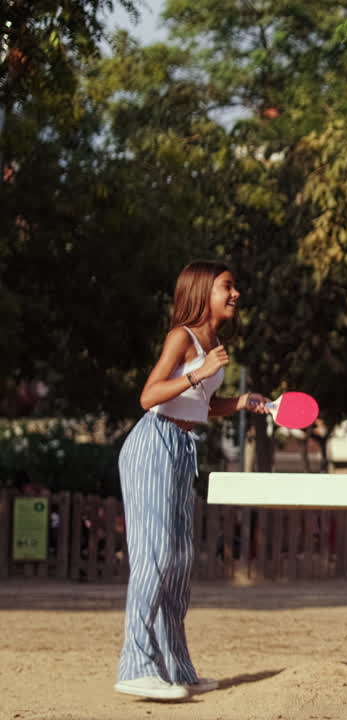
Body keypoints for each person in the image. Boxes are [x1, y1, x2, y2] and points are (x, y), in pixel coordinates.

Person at [114, 261, 268, 701]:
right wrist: (198, 372)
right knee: (155, 555)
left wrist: (239, 402)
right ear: (203, 291)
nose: (235, 293)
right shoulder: (181, 337)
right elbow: (149, 396)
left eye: (234, 286)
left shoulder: (215, 342)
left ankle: (175, 667)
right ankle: (136, 665)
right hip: (152, 443)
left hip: (183, 448)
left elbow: (201, 404)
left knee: (179, 560)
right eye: (227, 286)